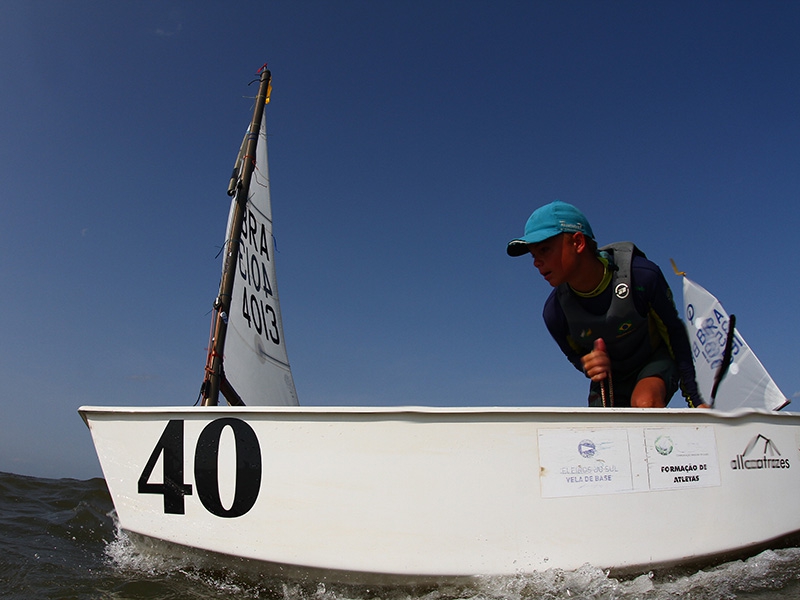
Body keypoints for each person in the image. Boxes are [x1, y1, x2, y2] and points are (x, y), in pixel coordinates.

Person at [507, 200, 707, 408]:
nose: (536, 262)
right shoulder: (554, 313)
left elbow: (674, 333)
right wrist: (589, 365)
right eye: (533, 255)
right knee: (603, 434)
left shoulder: (642, 277)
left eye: (545, 250)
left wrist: (695, 400)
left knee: (645, 402)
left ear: (578, 242)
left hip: (653, 362)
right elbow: (575, 355)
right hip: (610, 379)